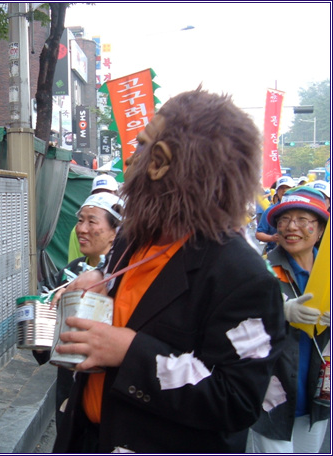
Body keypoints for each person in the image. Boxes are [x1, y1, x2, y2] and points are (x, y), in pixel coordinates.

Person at [51, 88, 286, 453]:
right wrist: (102, 279)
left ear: (159, 162)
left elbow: (236, 400)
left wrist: (131, 353)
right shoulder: (133, 236)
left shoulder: (243, 276)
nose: (131, 159)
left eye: (141, 146)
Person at [247, 186, 330, 453]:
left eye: (303, 220)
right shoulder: (260, 267)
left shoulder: (328, 273)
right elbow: (237, 319)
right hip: (271, 402)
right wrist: (278, 311)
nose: (291, 227)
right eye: (284, 219)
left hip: (319, 399)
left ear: (319, 231)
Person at [36, 192, 124, 430]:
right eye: (80, 220)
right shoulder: (70, 272)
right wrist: (38, 332)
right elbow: (46, 338)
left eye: (92, 221)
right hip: (69, 384)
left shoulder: (122, 279)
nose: (81, 229)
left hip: (106, 386)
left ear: (115, 232)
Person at [68, 173, 119, 263]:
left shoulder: (123, 271)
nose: (83, 229)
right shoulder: (76, 230)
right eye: (97, 193)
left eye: (107, 193)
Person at [256, 175, 295, 254]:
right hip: (274, 253)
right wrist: (272, 238)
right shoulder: (270, 211)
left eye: (288, 187)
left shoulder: (302, 209)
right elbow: (259, 234)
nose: (284, 190)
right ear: (277, 191)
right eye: (281, 188)